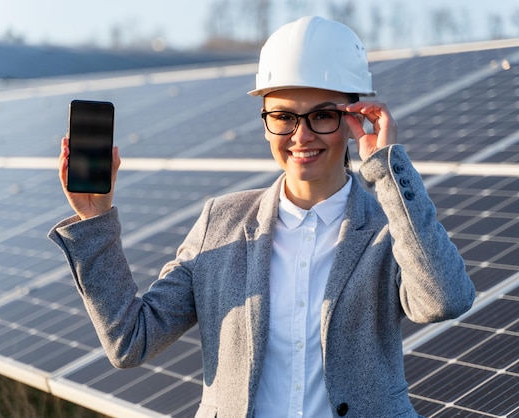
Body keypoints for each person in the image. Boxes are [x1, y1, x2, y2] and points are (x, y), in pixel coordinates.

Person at [49, 16, 475, 418]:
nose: (301, 135)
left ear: (354, 118)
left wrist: (386, 167)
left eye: (322, 115)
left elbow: (445, 298)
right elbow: (131, 341)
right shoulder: (221, 222)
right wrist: (95, 222)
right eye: (283, 117)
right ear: (266, 121)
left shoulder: (391, 228)